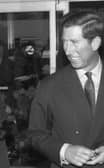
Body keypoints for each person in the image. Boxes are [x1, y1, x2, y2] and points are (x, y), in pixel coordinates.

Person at [29, 11, 104, 168]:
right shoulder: (50, 85)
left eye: (74, 42)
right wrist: (64, 151)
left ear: (96, 43)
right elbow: (35, 134)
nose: (67, 50)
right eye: (64, 42)